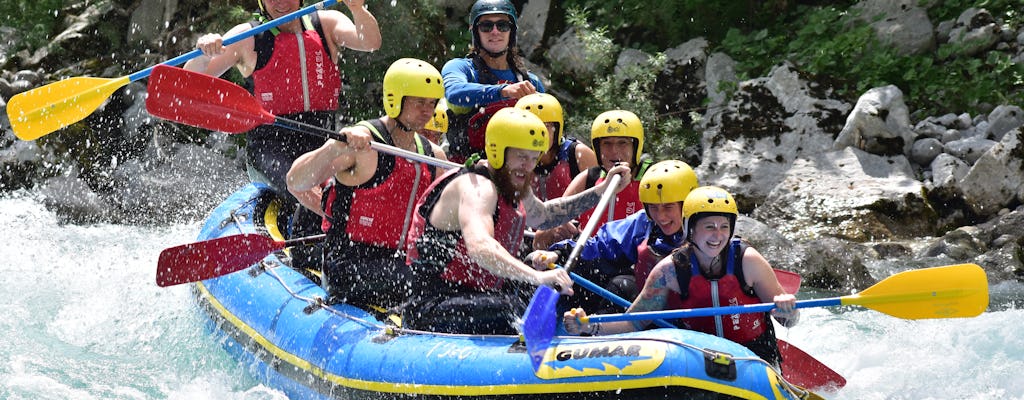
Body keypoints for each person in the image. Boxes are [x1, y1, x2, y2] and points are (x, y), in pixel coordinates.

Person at [184, 0, 381, 269]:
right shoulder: (248, 36)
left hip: (321, 139)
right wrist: (204, 52)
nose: (280, 2)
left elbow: (370, 41)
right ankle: (344, 241)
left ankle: (356, 238)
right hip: (270, 147)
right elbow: (191, 81)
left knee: (362, 182)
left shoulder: (326, 23)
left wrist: (358, 8)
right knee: (307, 185)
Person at [402, 108, 632, 335]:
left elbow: (543, 216)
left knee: (555, 293)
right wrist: (537, 276)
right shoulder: (477, 188)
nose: (528, 166)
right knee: (516, 306)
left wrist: (601, 191)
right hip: (432, 303)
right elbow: (480, 247)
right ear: (497, 150)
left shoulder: (512, 180)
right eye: (521, 156)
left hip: (477, 296)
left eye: (534, 158)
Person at [563, 186, 800, 368]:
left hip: (754, 354)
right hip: (699, 355)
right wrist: (589, 325)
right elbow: (634, 321)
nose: (717, 235)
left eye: (724, 226)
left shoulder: (748, 262)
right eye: (709, 226)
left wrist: (787, 309)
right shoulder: (671, 270)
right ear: (690, 229)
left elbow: (790, 321)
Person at [286, 58, 447, 308]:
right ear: (396, 99)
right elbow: (295, 181)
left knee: (440, 279)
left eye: (432, 103)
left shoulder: (434, 156)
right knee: (415, 281)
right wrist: (333, 147)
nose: (427, 111)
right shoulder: (361, 145)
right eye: (419, 102)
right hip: (350, 261)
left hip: (401, 261)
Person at [535, 160, 698, 313]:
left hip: (695, 314)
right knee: (619, 285)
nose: (661, 216)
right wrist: (558, 254)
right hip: (648, 311)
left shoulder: (711, 230)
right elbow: (598, 247)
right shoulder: (644, 224)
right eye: (653, 207)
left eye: (668, 207)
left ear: (686, 203)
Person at [531, 109, 653, 250]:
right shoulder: (587, 179)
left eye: (622, 143)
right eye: (606, 143)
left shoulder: (651, 179)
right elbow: (538, 241)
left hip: (635, 267)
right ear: (597, 148)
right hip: (589, 265)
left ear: (635, 147)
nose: (614, 151)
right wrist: (555, 229)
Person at [442, 0, 546, 163]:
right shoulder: (461, 68)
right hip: (469, 167)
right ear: (476, 32)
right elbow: (454, 93)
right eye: (486, 26)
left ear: (511, 32)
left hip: (517, 169)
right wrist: (502, 91)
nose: (495, 31)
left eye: (503, 25)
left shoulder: (529, 82)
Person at [513, 93, 598, 202]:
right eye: (530, 128)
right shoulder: (512, 159)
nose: (538, 133)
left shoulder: (578, 154)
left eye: (546, 126)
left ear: (556, 129)